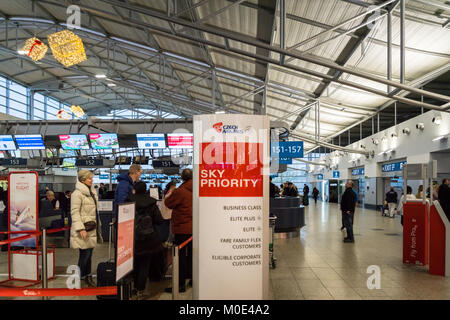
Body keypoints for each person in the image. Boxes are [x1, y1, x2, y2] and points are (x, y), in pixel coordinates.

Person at [126, 181, 164, 299]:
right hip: (149, 238)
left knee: (134, 263)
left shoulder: (128, 201)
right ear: (145, 189)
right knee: (144, 265)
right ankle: (140, 289)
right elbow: (159, 220)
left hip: (133, 238)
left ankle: (134, 287)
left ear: (135, 189)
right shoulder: (152, 202)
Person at [70, 170, 103, 287]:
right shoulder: (77, 194)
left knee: (89, 254)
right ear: (83, 180)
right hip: (84, 229)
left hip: (91, 228)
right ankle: (78, 278)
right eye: (89, 178)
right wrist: (80, 228)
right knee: (84, 255)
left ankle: (87, 276)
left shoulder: (91, 192)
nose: (92, 180)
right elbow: (74, 212)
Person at [164, 169, 193, 293]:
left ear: (182, 178)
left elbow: (168, 203)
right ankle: (193, 279)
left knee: (180, 257)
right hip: (195, 228)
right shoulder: (198, 189)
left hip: (182, 228)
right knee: (192, 255)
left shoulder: (180, 191)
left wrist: (171, 193)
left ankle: (180, 285)